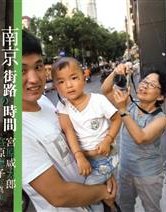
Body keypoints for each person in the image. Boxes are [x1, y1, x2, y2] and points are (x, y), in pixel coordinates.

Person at [22, 30, 117, 211]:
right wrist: (105, 191)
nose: (34, 79)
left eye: (38, 66)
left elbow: (72, 138)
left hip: (93, 192)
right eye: (21, 70)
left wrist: (102, 172)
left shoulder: (45, 102)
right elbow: (59, 195)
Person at [51, 57, 122, 211]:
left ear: (84, 77)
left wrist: (108, 140)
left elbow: (117, 119)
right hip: (85, 160)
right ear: (56, 86)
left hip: (104, 157)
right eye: (61, 82)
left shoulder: (98, 100)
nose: (68, 85)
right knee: (100, 191)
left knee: (89, 193)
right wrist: (80, 156)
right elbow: (68, 131)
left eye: (74, 78)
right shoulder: (63, 106)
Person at [101, 64, 166, 212]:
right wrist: (115, 72)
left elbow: (141, 137)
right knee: (125, 206)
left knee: (151, 209)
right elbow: (105, 90)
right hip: (125, 170)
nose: (144, 86)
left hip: (148, 175)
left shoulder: (161, 118)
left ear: (160, 96)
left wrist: (122, 110)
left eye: (151, 85)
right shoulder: (131, 104)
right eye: (144, 82)